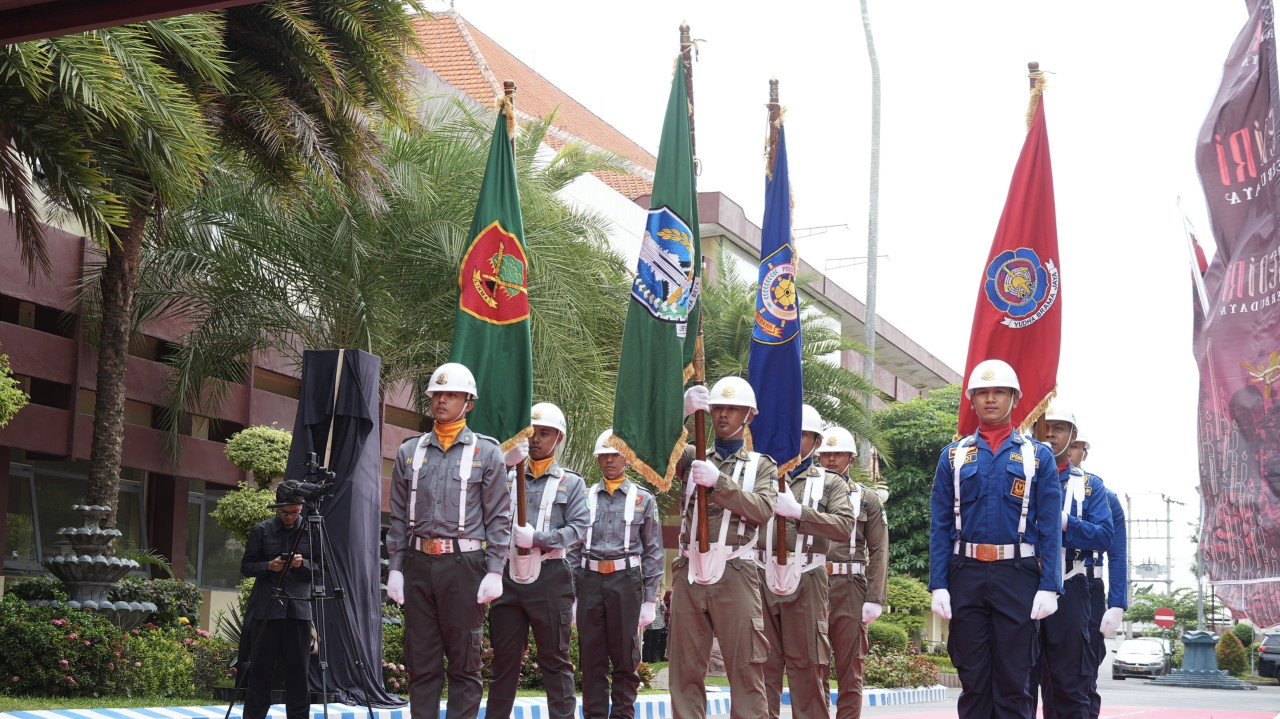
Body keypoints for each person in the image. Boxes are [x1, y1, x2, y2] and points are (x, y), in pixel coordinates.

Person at [929, 359, 1063, 719]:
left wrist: (1050, 585)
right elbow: (940, 524)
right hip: (966, 573)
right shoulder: (953, 456)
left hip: (1017, 575)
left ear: (1015, 398)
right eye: (983, 393)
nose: (991, 399)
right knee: (972, 678)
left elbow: (1049, 527)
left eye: (999, 392)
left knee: (1015, 680)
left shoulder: (1038, 456)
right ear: (972, 400)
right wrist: (938, 584)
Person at [384, 362, 514, 719]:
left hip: (464, 567)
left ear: (468, 402)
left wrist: (494, 570)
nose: (441, 400)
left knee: (465, 664)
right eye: (436, 394)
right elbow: (397, 516)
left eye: (451, 394)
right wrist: (395, 568)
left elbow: (500, 516)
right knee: (421, 664)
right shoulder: (410, 451)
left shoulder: (487, 453)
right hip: (417, 564)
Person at [669, 377, 778, 719]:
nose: (723, 415)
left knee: (745, 669)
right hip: (689, 571)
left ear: (750, 415)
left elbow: (762, 510)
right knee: (683, 671)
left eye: (733, 409)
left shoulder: (762, 465)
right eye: (717, 408)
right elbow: (653, 452)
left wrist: (720, 482)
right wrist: (681, 414)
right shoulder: (689, 456)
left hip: (735, 571)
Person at [487, 402, 590, 719]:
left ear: (558, 438)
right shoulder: (504, 476)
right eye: (532, 432)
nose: (535, 439)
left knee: (555, 661)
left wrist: (539, 539)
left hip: (550, 576)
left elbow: (579, 528)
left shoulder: (571, 483)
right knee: (503, 662)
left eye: (544, 433)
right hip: (507, 576)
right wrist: (504, 463)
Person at [757, 404, 854, 719]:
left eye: (802, 435)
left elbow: (843, 526)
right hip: (758, 574)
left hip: (807, 576)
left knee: (808, 667)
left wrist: (799, 513)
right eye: (789, 433)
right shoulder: (759, 474)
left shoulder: (830, 482)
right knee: (759, 667)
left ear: (816, 442)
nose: (793, 439)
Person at [568, 427, 664, 719]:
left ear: (626, 459)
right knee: (592, 658)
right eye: (604, 455)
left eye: (615, 455)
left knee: (625, 657)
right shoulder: (584, 497)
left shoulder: (643, 499)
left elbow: (654, 551)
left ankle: (623, 715)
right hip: (589, 579)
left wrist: (650, 599)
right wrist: (571, 594)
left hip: (626, 581)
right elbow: (573, 548)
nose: (609, 460)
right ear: (598, 459)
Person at [1035, 407, 1113, 719]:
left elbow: (1105, 537)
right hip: (1021, 583)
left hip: (1071, 585)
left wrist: (1066, 522)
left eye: (1060, 428)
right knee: (1017, 682)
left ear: (1073, 436)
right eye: (1046, 427)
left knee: (1070, 685)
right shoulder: (1019, 476)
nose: (1051, 434)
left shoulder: (1091, 486)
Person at [817, 425, 889, 719]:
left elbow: (880, 549)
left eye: (839, 454)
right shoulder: (806, 493)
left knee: (850, 667)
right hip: (812, 582)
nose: (832, 459)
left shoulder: (866, 498)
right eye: (827, 453)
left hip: (849, 585)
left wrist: (875, 597)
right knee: (813, 664)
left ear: (852, 458)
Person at [1068, 431, 1128, 719]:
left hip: (1088, 586)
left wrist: (1116, 604)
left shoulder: (1103, 496)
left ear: (1084, 452)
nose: (1068, 451)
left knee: (1083, 673)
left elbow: (1116, 554)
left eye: (1075, 447)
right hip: (1041, 582)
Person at [241, 483, 314, 719]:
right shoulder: (261, 531)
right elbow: (246, 567)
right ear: (278, 509)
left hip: (298, 610)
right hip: (267, 610)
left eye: (295, 512)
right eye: (286, 513)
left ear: (301, 508)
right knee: (260, 672)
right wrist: (268, 566)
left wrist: (302, 564)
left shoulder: (312, 532)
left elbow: (325, 569)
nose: (291, 517)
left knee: (298, 674)